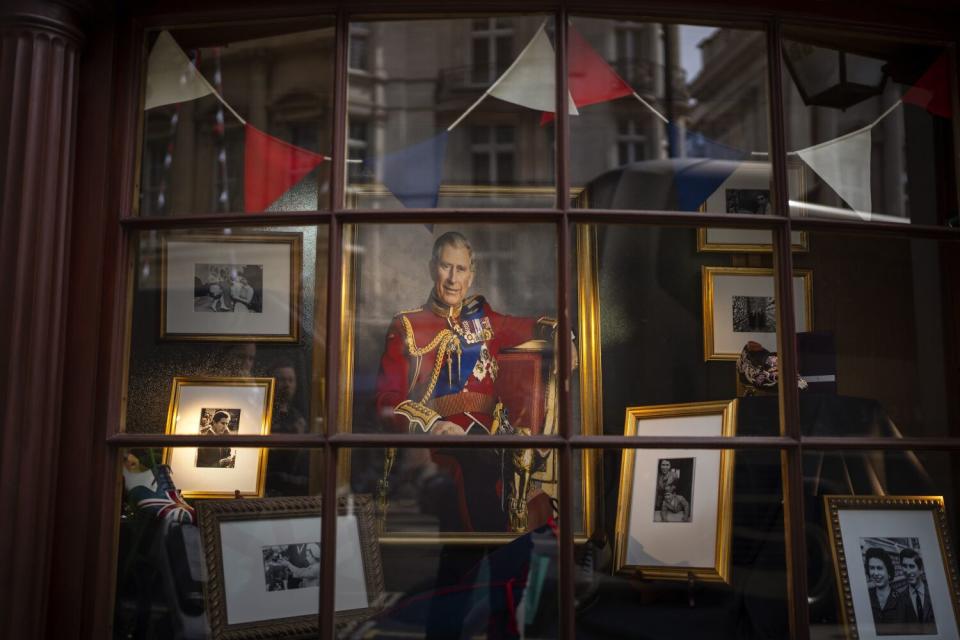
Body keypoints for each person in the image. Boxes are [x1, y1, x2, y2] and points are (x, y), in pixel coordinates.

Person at [375, 231, 556, 533]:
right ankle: (491, 554)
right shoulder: (407, 325)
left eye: (460, 269)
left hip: (490, 434)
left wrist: (564, 335)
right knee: (476, 467)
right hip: (437, 440)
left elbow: (527, 326)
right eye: (446, 267)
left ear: (471, 276)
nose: (452, 278)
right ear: (432, 268)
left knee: (521, 475)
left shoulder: (484, 318)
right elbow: (385, 398)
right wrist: (432, 425)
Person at [895, 548, 937, 635]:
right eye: (904, 566)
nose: (908, 571)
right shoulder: (900, 598)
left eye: (911, 566)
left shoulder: (935, 593)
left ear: (921, 570)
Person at [864, 547, 902, 630]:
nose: (875, 573)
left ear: (888, 572)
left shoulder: (903, 600)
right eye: (872, 568)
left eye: (880, 568)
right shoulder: (865, 598)